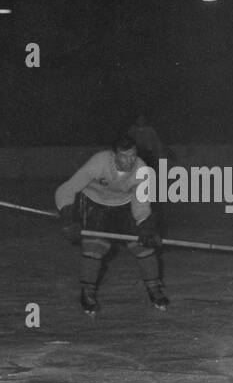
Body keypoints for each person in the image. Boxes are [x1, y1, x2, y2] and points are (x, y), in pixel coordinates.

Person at [54, 135, 167, 315]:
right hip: (94, 202)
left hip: (124, 205)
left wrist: (145, 227)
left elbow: (141, 205)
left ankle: (154, 288)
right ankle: (87, 292)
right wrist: (67, 217)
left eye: (133, 155)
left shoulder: (142, 169)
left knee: (142, 244)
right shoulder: (99, 162)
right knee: (95, 246)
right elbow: (66, 190)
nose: (130, 161)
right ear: (113, 155)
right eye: (124, 156)